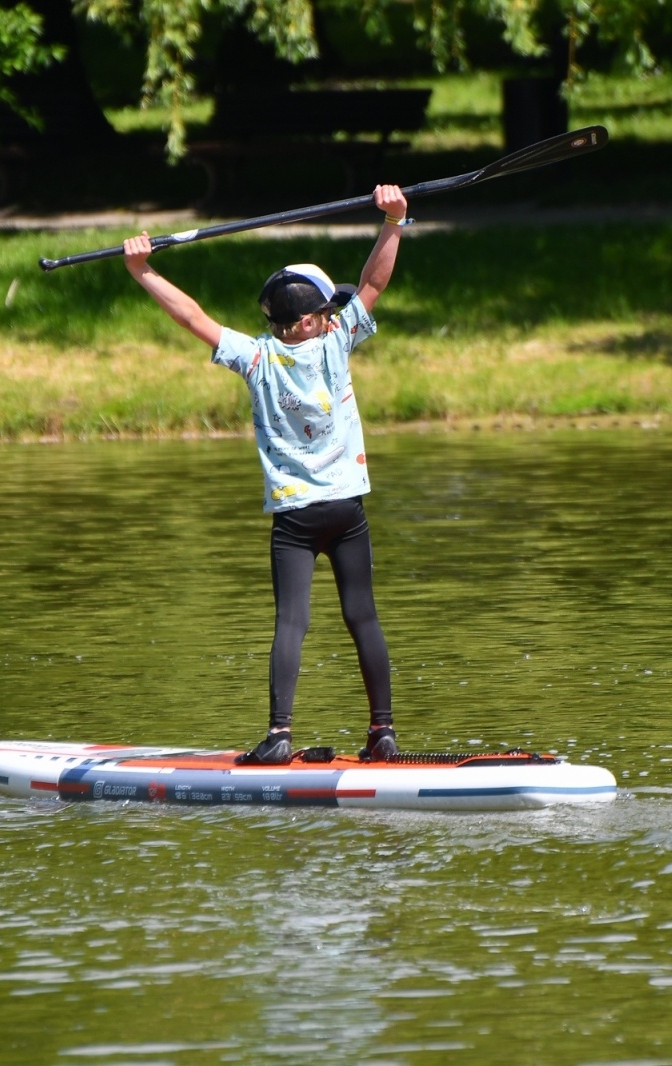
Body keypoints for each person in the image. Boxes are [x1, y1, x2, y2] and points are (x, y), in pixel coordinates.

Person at [122, 184, 410, 765]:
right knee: (363, 616)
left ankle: (279, 735)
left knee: (291, 624)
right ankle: (383, 731)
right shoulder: (339, 344)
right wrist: (395, 222)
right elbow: (375, 282)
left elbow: (193, 317)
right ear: (315, 320)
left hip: (295, 517)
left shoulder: (256, 358)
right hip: (346, 512)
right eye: (330, 311)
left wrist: (142, 271)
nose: (335, 319)